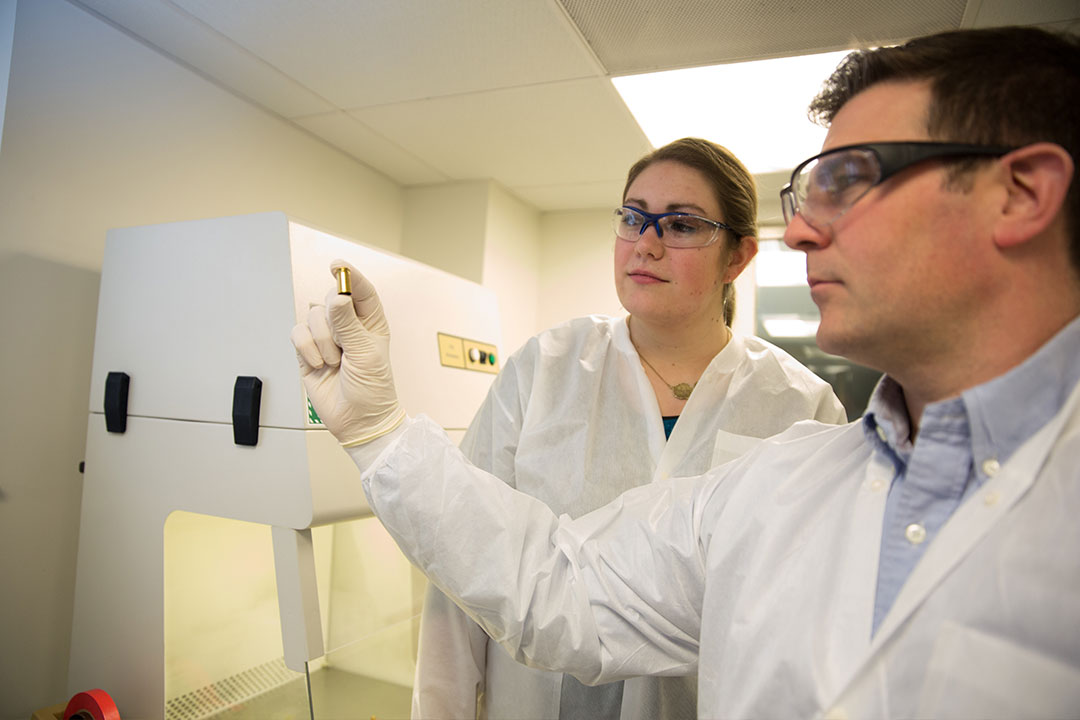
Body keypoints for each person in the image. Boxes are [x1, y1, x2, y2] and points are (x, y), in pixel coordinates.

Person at [292, 26, 1080, 719]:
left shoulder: (799, 410)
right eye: (632, 219)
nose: (801, 231)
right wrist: (379, 433)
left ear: (1021, 193)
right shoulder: (787, 485)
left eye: (849, 179)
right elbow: (555, 585)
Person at [412, 138, 846, 720]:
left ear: (738, 257)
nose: (645, 244)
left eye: (682, 225)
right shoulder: (544, 369)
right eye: (633, 217)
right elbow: (461, 561)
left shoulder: (798, 408)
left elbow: (807, 621)